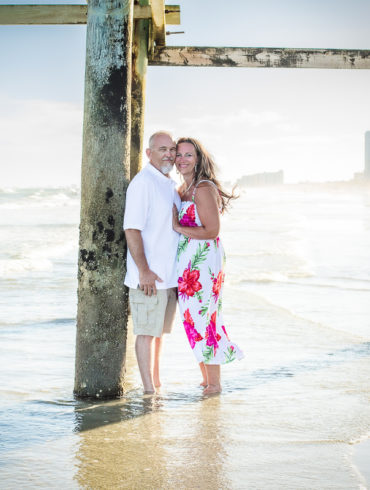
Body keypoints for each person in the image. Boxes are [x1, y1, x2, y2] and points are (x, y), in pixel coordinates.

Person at [172, 137, 244, 395]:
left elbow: (212, 230)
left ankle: (214, 383)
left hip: (203, 262)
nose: (182, 159)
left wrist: (178, 227)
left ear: (199, 159)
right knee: (192, 320)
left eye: (188, 155)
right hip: (187, 265)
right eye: (179, 154)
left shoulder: (203, 188)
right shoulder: (182, 190)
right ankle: (206, 379)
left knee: (205, 318)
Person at [124, 131, 181, 394]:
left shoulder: (168, 183)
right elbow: (132, 229)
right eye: (162, 149)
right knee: (146, 333)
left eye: (172, 149)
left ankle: (156, 383)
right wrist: (144, 271)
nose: (169, 153)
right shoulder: (143, 183)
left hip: (168, 277)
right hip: (148, 277)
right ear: (149, 153)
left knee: (158, 334)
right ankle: (148, 392)